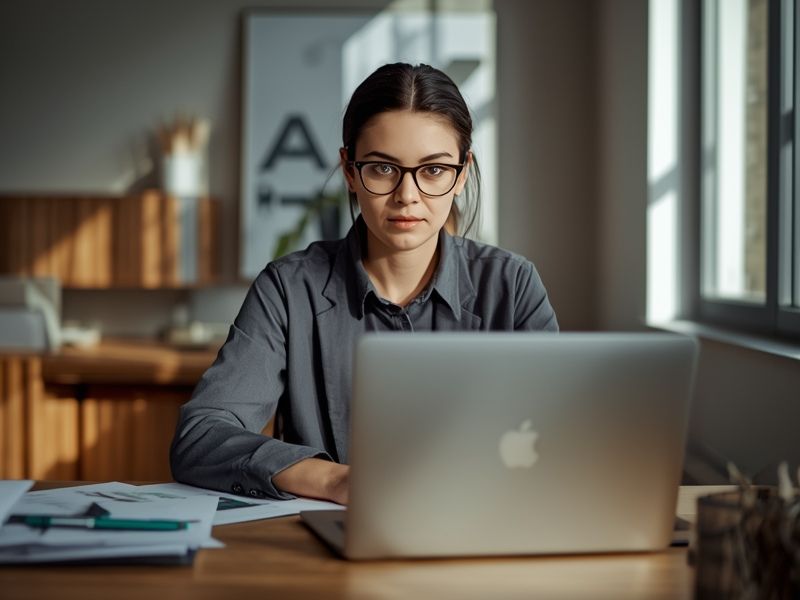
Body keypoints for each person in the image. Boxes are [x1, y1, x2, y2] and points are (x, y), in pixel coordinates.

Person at [170, 63, 558, 505]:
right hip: (332, 534)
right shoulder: (288, 289)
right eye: (382, 168)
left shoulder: (512, 285)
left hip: (486, 528)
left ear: (462, 173)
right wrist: (334, 481)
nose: (407, 195)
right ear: (350, 171)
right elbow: (201, 436)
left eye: (433, 170)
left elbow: (563, 438)